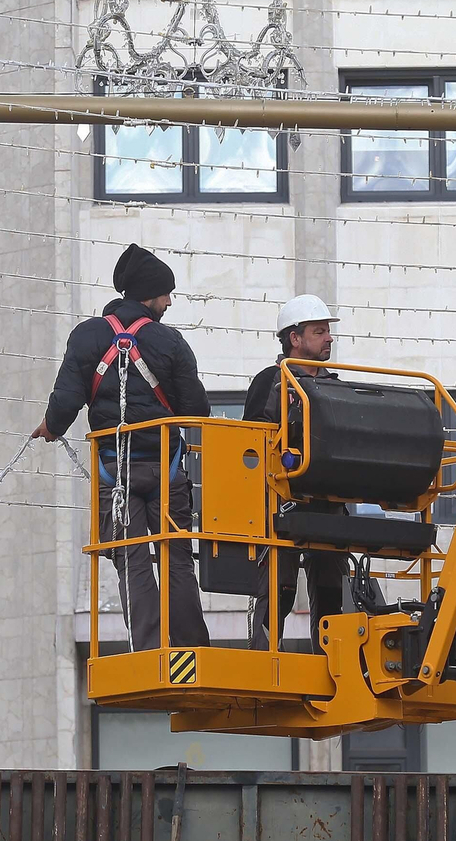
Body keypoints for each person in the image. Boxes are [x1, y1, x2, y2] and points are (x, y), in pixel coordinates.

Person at [31, 243, 212, 652]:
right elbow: (196, 409)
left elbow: (66, 399)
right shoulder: (170, 341)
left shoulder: (88, 336)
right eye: (167, 293)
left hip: (115, 471)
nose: (169, 302)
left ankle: (147, 651)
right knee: (176, 558)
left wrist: (51, 427)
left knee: (131, 560)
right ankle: (192, 648)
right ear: (149, 294)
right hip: (167, 469)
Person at [242, 295, 347, 652]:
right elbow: (251, 443)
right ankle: (264, 659)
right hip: (281, 503)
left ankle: (330, 662)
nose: (329, 339)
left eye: (328, 332)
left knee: (332, 589)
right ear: (295, 339)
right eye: (320, 332)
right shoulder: (271, 382)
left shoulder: (335, 386)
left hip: (327, 501)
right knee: (278, 587)